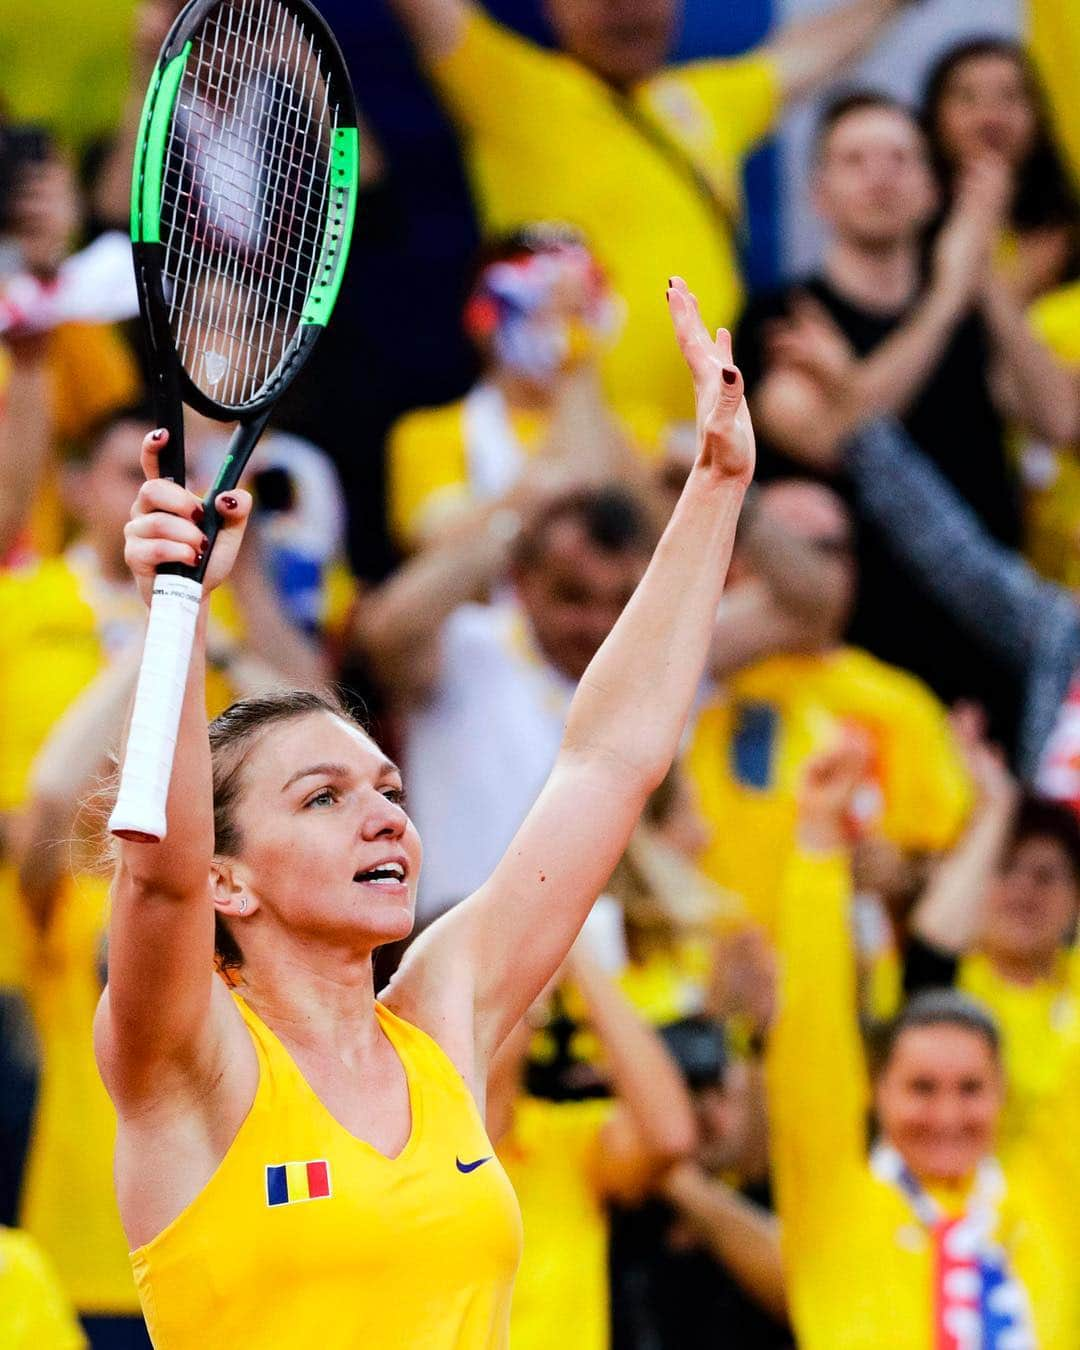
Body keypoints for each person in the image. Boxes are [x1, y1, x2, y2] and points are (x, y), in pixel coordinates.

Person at [95, 276, 757, 1347]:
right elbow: (156, 872)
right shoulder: (190, 1058)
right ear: (231, 875)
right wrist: (178, 604)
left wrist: (715, 491)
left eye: (389, 792)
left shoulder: (442, 1021)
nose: (385, 818)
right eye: (323, 796)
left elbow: (608, 763)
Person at [386, 0, 919, 421]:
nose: (630, 9)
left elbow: (809, 53)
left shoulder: (705, 101)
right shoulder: (508, 89)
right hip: (573, 457)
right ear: (552, 6)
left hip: (710, 448)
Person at [735, 91, 1074, 747]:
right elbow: (829, 438)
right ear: (818, 193)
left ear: (932, 189)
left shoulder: (974, 314)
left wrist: (983, 283)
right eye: (855, 159)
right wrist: (946, 297)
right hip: (844, 663)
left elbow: (1059, 420)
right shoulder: (782, 318)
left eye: (901, 158)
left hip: (987, 662)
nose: (880, 176)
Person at [767, 732, 1080, 1348]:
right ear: (877, 1093)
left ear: (1001, 1096)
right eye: (920, 1088)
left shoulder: (1051, 1196)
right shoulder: (835, 1202)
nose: (947, 1114)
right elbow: (809, 1038)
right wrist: (818, 845)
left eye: (970, 1089)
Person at [684, 478, 972, 929]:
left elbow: (945, 857)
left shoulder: (901, 702)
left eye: (831, 548)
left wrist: (901, 871)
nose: (812, 568)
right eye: (787, 547)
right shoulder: (698, 672)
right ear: (741, 557)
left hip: (845, 971)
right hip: (708, 961)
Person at [387, 225, 666, 553]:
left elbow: (662, 540)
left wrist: (576, 358)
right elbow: (436, 544)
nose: (559, 319)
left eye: (578, 308)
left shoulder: (638, 428)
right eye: (539, 301)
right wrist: (531, 496)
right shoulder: (429, 433)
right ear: (483, 318)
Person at [487, 934, 696, 1350]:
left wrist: (574, 952)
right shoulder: (400, 1140)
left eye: (510, 995)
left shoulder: (563, 1139)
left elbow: (669, 1136)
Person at [903, 726, 1080, 1151]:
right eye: (1005, 869)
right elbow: (933, 943)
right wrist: (996, 807)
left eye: (1044, 876)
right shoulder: (946, 978)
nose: (1023, 890)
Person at [921, 36, 1080, 305]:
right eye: (967, 98)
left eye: (1010, 96)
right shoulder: (907, 224)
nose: (990, 117)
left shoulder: (1066, 231)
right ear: (934, 115)